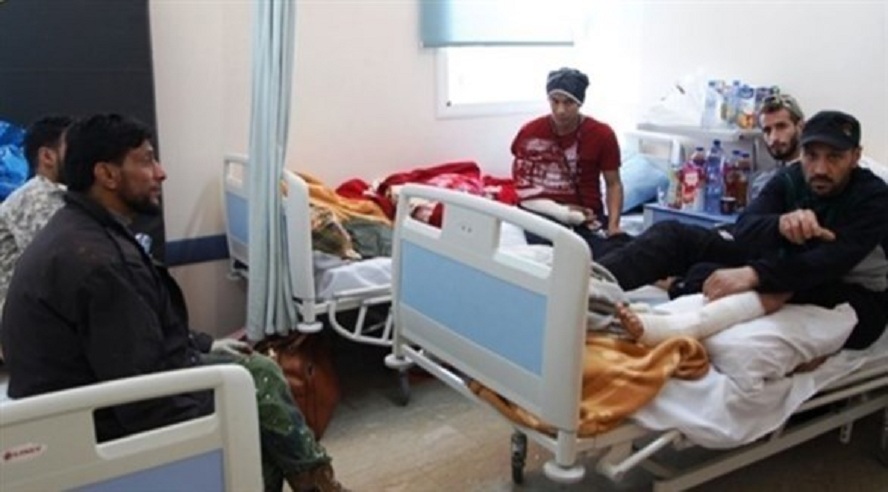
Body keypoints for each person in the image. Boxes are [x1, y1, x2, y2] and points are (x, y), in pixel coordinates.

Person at [0, 114, 346, 492]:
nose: (161, 173)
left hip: (88, 395)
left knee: (258, 372)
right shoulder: (98, 263)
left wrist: (203, 345)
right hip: (94, 420)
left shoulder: (85, 230)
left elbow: (142, 327)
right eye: (147, 160)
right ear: (107, 175)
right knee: (256, 422)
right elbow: (141, 393)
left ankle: (315, 480)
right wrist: (217, 423)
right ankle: (313, 481)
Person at [603, 110, 888, 350]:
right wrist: (779, 224)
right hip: (784, 264)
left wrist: (755, 275)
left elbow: (831, 261)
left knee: (730, 280)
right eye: (811, 155)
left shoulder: (873, 197)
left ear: (855, 157)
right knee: (674, 236)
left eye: (834, 157)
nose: (820, 168)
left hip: (849, 289)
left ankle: (679, 313)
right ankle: (591, 287)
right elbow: (746, 228)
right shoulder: (791, 178)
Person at [598, 93, 809, 298]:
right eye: (767, 130)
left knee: (670, 236)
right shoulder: (768, 176)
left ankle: (590, 285)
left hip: (755, 249)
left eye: (781, 127)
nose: (774, 138)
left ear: (801, 127)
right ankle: (594, 274)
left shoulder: (807, 176)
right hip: (739, 238)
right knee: (625, 244)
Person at [511, 67, 627, 256]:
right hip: (540, 215)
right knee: (558, 252)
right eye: (555, 101)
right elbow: (522, 187)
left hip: (587, 217)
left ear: (580, 103)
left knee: (619, 253)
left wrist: (614, 226)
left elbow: (613, 184)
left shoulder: (602, 134)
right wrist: (561, 211)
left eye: (568, 103)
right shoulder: (529, 132)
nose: (560, 110)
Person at [0, 115, 72, 358]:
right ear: (47, 156)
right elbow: (60, 269)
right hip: (25, 332)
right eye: (73, 149)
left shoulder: (63, 197)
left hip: (39, 324)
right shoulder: (35, 198)